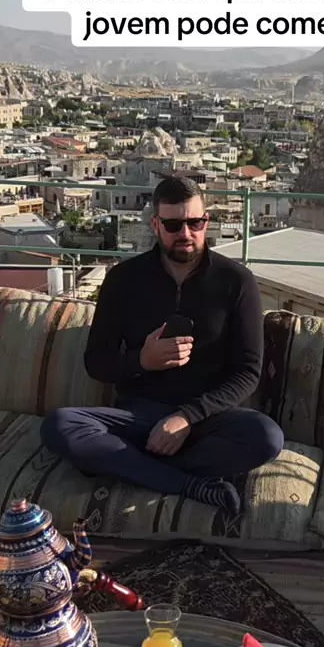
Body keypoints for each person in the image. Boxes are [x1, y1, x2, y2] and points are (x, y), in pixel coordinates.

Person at [41, 176, 284, 516]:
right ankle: (190, 485)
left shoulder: (236, 281)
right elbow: (96, 362)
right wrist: (141, 360)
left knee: (266, 437)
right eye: (172, 225)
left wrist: (186, 417)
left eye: (194, 223)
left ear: (206, 222)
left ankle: (128, 467)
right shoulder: (123, 279)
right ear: (155, 225)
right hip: (137, 417)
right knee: (60, 426)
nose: (185, 233)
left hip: (205, 420)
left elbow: (248, 372)